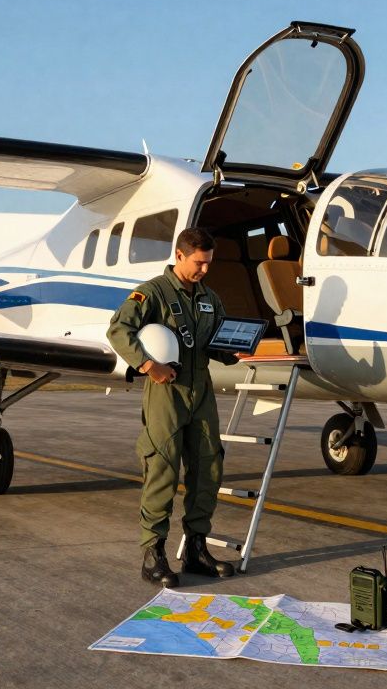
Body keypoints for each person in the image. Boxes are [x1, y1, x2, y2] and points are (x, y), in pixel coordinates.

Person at [107, 227, 241, 587]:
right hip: (166, 392)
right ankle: (153, 555)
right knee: (162, 469)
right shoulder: (152, 293)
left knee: (208, 468)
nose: (204, 270)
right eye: (199, 263)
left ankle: (196, 550)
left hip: (202, 391)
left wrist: (236, 349)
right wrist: (149, 365)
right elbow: (119, 330)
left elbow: (215, 343)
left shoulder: (209, 298)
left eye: (209, 263)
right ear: (179, 255)